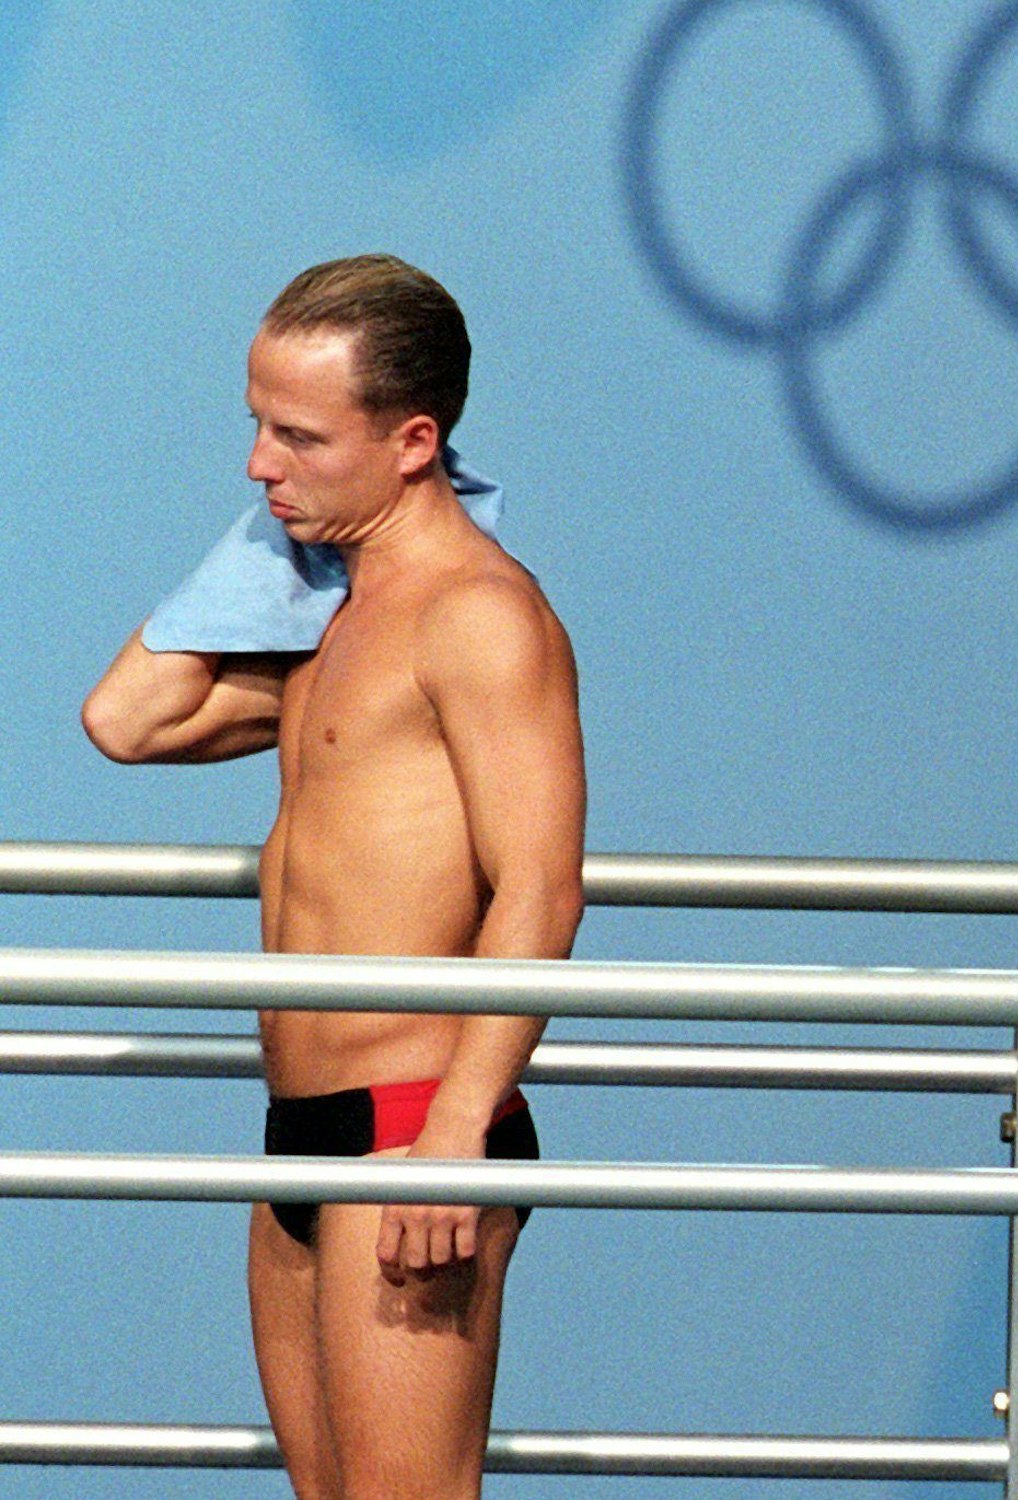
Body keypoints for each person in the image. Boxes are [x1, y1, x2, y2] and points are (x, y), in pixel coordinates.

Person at [82, 255, 585, 1500]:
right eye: (256, 425)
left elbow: (540, 884)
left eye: (298, 436)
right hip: (298, 1137)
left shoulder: (480, 615)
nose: (259, 466)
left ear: (415, 440)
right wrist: (270, 549)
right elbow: (129, 720)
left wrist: (461, 1133)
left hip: (413, 1129)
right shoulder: (323, 619)